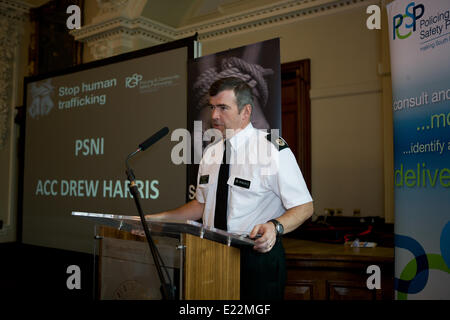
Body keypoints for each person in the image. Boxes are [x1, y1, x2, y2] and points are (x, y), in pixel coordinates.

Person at [146, 77, 313, 300]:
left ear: (246, 112)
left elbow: (305, 206)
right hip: (211, 254)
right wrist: (157, 219)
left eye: (223, 108)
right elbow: (200, 206)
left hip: (255, 257)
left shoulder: (270, 148)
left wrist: (275, 227)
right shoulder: (211, 153)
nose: (214, 116)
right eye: (212, 107)